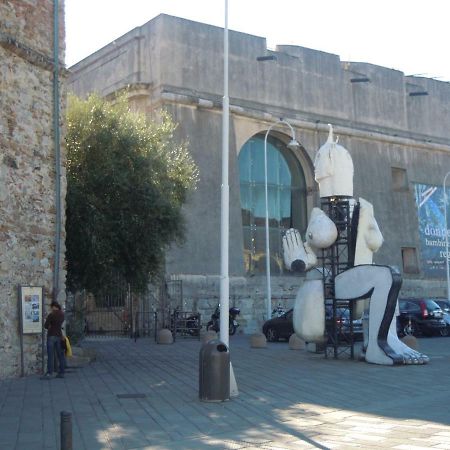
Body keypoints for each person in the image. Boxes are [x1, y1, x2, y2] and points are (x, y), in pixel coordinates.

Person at [283, 125, 429, 365]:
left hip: (356, 275)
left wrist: (370, 229)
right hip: (338, 280)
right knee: (386, 276)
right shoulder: (321, 213)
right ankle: (375, 347)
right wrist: (302, 260)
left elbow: (375, 242)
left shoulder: (363, 208)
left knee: (390, 275)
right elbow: (316, 247)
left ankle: (386, 339)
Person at [42, 300, 65, 379]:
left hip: (51, 335)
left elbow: (46, 325)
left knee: (50, 355)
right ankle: (61, 372)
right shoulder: (62, 314)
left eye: (51, 307)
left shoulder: (51, 315)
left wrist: (50, 326)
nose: (51, 309)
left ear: (53, 307)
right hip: (59, 335)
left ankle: (50, 372)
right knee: (60, 355)